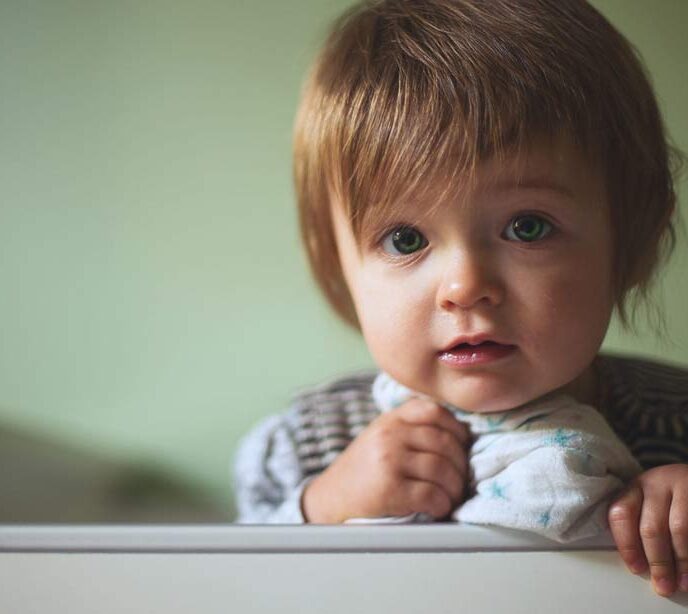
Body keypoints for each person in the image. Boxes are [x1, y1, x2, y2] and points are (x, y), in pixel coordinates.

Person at [232, 0, 688, 597]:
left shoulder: (675, 421)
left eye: (527, 226)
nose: (466, 285)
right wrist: (321, 512)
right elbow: (236, 584)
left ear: (633, 238)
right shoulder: (308, 444)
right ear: (338, 265)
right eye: (405, 239)